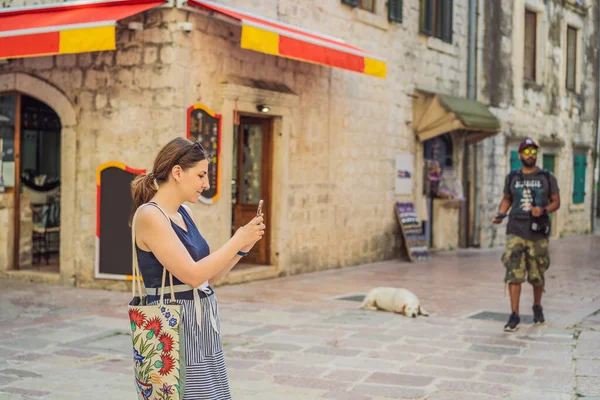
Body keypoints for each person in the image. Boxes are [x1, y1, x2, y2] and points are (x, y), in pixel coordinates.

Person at [130, 137, 265, 399]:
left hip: (202, 322)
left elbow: (208, 276)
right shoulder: (150, 216)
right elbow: (192, 275)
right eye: (202, 175)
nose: (207, 184)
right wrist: (237, 237)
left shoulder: (185, 213)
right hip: (174, 325)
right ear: (177, 172)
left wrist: (243, 247)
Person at [492, 138, 560, 332]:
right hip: (515, 230)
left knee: (537, 274)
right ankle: (514, 315)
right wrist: (500, 214)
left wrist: (544, 210)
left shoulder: (547, 177)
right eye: (527, 152)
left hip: (537, 233)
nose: (530, 155)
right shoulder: (512, 177)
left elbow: (556, 202)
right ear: (520, 155)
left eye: (533, 152)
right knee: (514, 273)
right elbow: (507, 199)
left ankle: (537, 306)